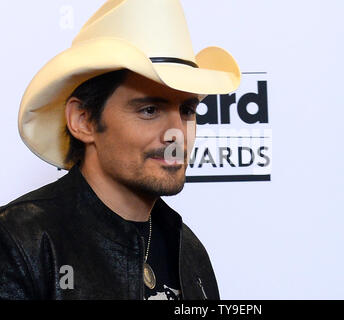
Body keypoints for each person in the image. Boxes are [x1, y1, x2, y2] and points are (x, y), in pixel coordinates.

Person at [0, 0, 240, 300]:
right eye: (150, 110)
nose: (177, 132)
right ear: (83, 120)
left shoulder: (188, 251)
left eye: (187, 110)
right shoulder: (19, 241)